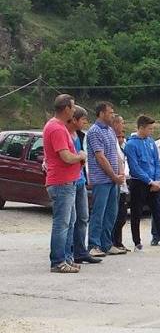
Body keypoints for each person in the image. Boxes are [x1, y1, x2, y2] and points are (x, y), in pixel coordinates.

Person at [124, 115, 160, 253]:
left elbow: (157, 162)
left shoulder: (150, 142)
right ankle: (137, 242)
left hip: (154, 182)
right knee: (136, 213)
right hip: (139, 182)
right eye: (149, 128)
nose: (151, 131)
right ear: (141, 128)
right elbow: (134, 167)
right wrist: (148, 180)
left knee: (158, 212)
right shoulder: (131, 144)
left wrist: (156, 180)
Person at [43, 94, 86, 273]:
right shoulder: (57, 129)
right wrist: (81, 156)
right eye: (73, 107)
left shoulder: (57, 126)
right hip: (61, 182)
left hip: (68, 181)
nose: (75, 110)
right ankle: (58, 261)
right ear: (67, 108)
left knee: (71, 220)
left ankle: (67, 258)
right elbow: (66, 156)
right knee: (62, 223)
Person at [87, 101, 124, 257]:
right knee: (99, 213)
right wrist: (113, 175)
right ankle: (94, 244)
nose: (112, 114)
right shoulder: (94, 131)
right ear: (101, 113)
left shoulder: (110, 130)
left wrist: (120, 172)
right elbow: (100, 157)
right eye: (110, 112)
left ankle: (106, 243)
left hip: (113, 180)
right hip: (102, 179)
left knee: (111, 213)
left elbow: (116, 153)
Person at [66, 105, 101, 265]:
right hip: (69, 180)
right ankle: (69, 251)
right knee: (69, 219)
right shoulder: (65, 134)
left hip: (80, 179)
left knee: (83, 217)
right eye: (83, 120)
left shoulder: (80, 135)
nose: (85, 123)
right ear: (74, 119)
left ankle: (81, 251)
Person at [111, 115, 131, 253]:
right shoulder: (112, 144)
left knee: (122, 216)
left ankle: (118, 241)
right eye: (122, 123)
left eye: (122, 137)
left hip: (124, 184)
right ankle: (113, 242)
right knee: (115, 216)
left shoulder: (125, 147)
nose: (121, 139)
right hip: (115, 182)